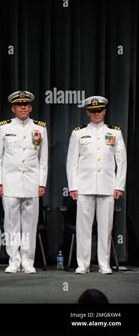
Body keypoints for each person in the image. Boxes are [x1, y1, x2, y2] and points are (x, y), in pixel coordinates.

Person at [66, 96, 127, 275]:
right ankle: (83, 264)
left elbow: (121, 162)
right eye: (93, 111)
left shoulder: (115, 133)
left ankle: (104, 264)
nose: (96, 113)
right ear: (87, 112)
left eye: (99, 110)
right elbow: (71, 162)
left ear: (105, 111)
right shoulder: (78, 133)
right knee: (83, 227)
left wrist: (119, 186)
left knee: (105, 228)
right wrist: (73, 187)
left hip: (107, 187)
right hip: (84, 187)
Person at [0, 90, 48, 274]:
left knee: (30, 225)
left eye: (26, 105)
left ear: (30, 107)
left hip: (32, 182)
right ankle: (13, 261)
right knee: (11, 224)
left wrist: (42, 183)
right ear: (13, 108)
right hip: (10, 182)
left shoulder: (40, 128)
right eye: (19, 105)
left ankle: (28, 261)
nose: (23, 107)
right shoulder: (3, 127)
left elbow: (43, 159)